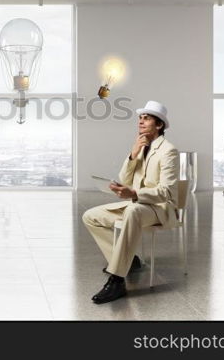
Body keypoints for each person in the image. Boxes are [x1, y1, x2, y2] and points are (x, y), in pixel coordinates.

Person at [82, 100, 179, 304]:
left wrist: (134, 193)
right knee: (90, 216)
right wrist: (133, 155)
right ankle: (131, 261)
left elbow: (167, 191)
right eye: (140, 118)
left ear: (159, 124)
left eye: (146, 118)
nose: (141, 122)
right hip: (135, 204)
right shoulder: (140, 147)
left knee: (133, 211)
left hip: (158, 208)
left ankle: (117, 279)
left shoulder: (168, 151)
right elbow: (125, 179)